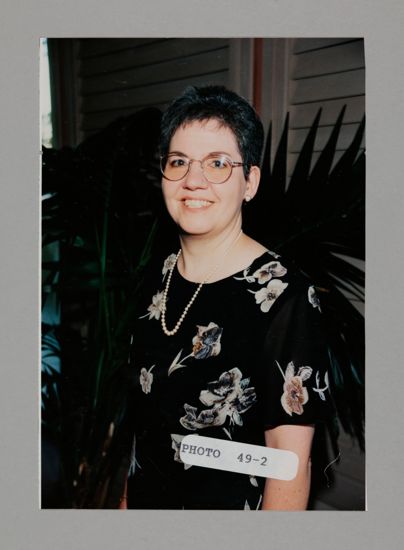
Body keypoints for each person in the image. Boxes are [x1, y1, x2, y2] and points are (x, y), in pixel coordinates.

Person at [120, 85, 335, 510]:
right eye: (178, 162)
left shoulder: (285, 297)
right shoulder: (157, 275)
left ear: (250, 181)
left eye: (218, 163)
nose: (193, 180)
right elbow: (143, 430)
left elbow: (290, 471)